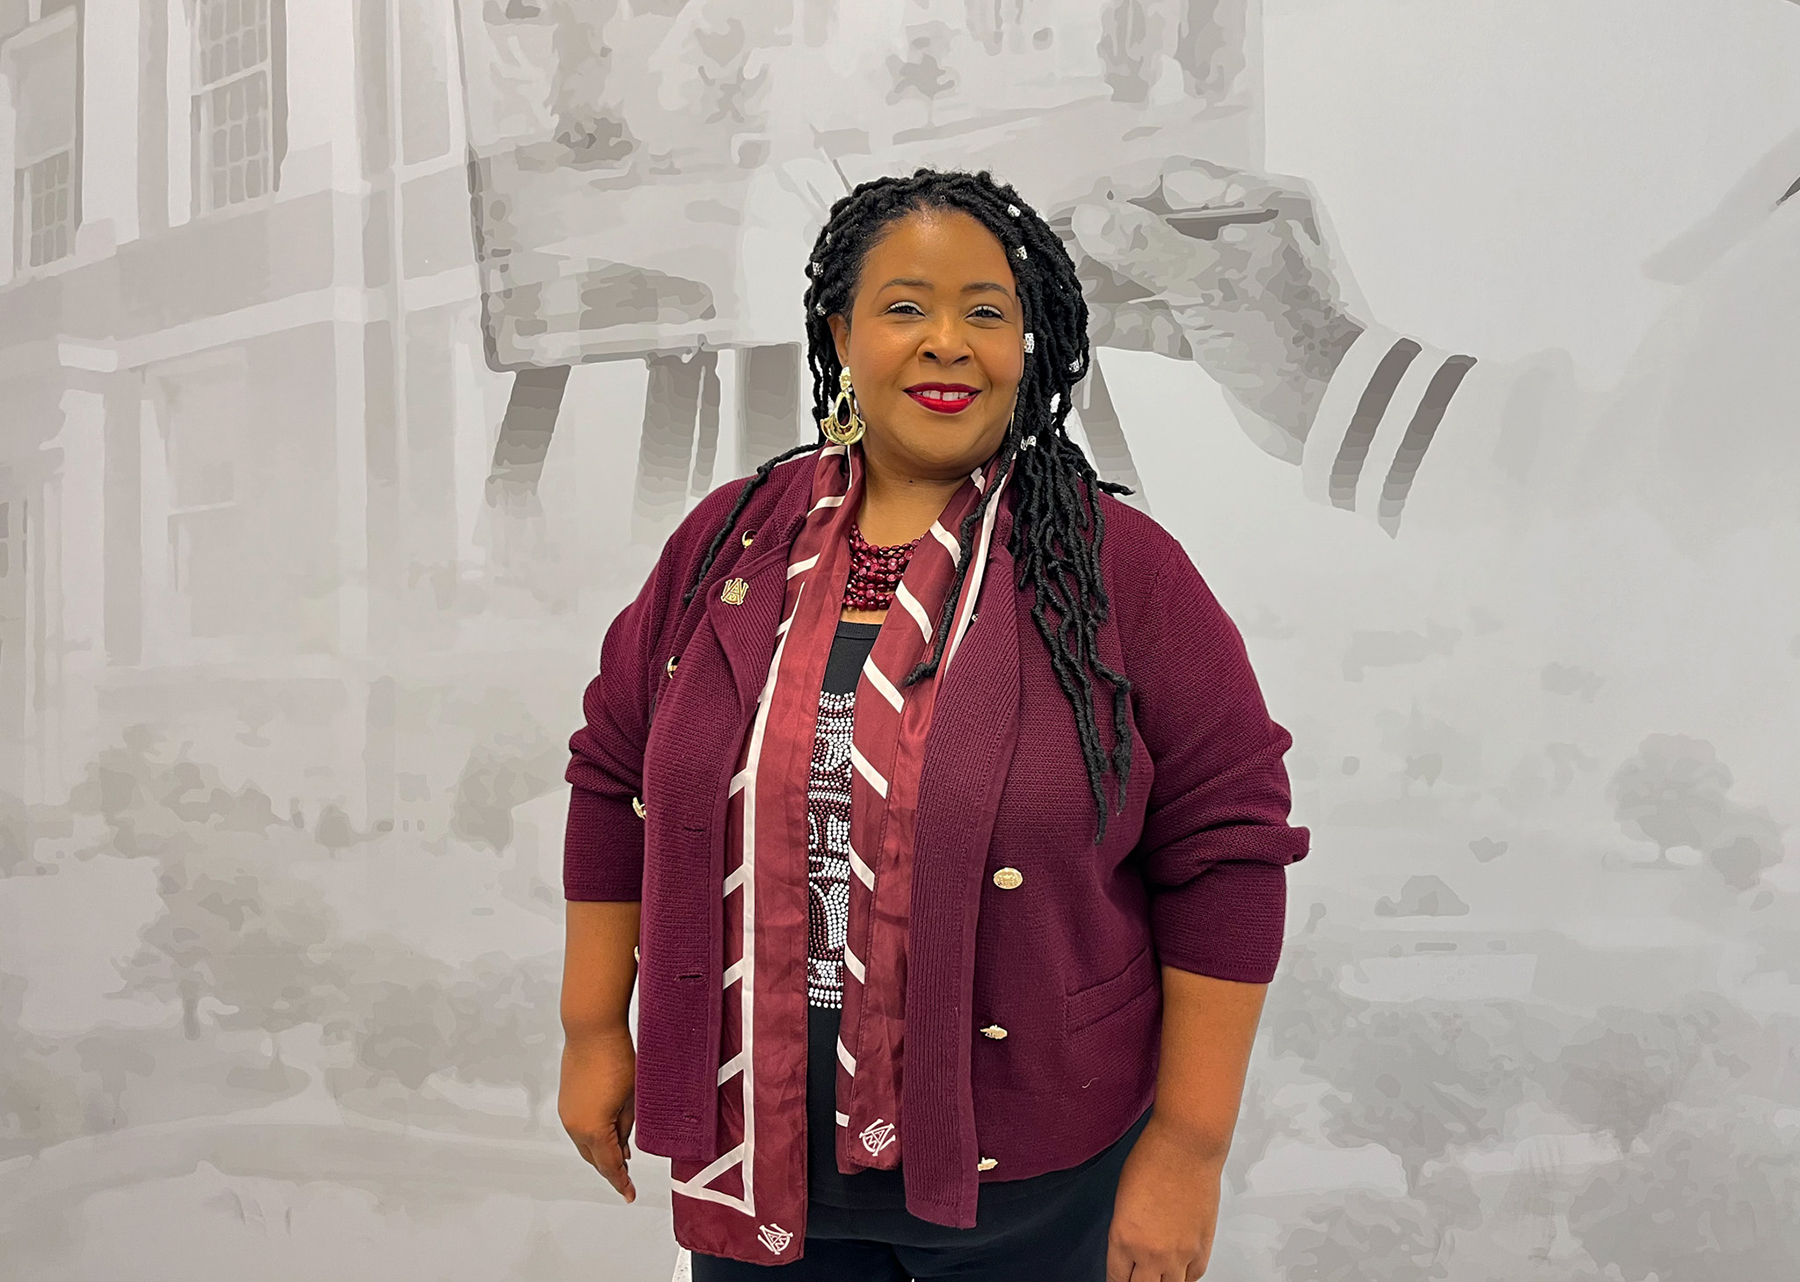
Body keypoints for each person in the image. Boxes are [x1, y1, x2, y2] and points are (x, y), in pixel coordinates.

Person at [556, 168, 1311, 1280]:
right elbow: (610, 775)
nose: (947, 341)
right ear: (841, 334)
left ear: (1031, 343)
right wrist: (590, 1029)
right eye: (906, 307)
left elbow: (1230, 853)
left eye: (987, 312)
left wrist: (1189, 1150)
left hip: (1038, 1172)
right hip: (757, 1159)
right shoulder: (726, 543)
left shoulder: (1114, 568)